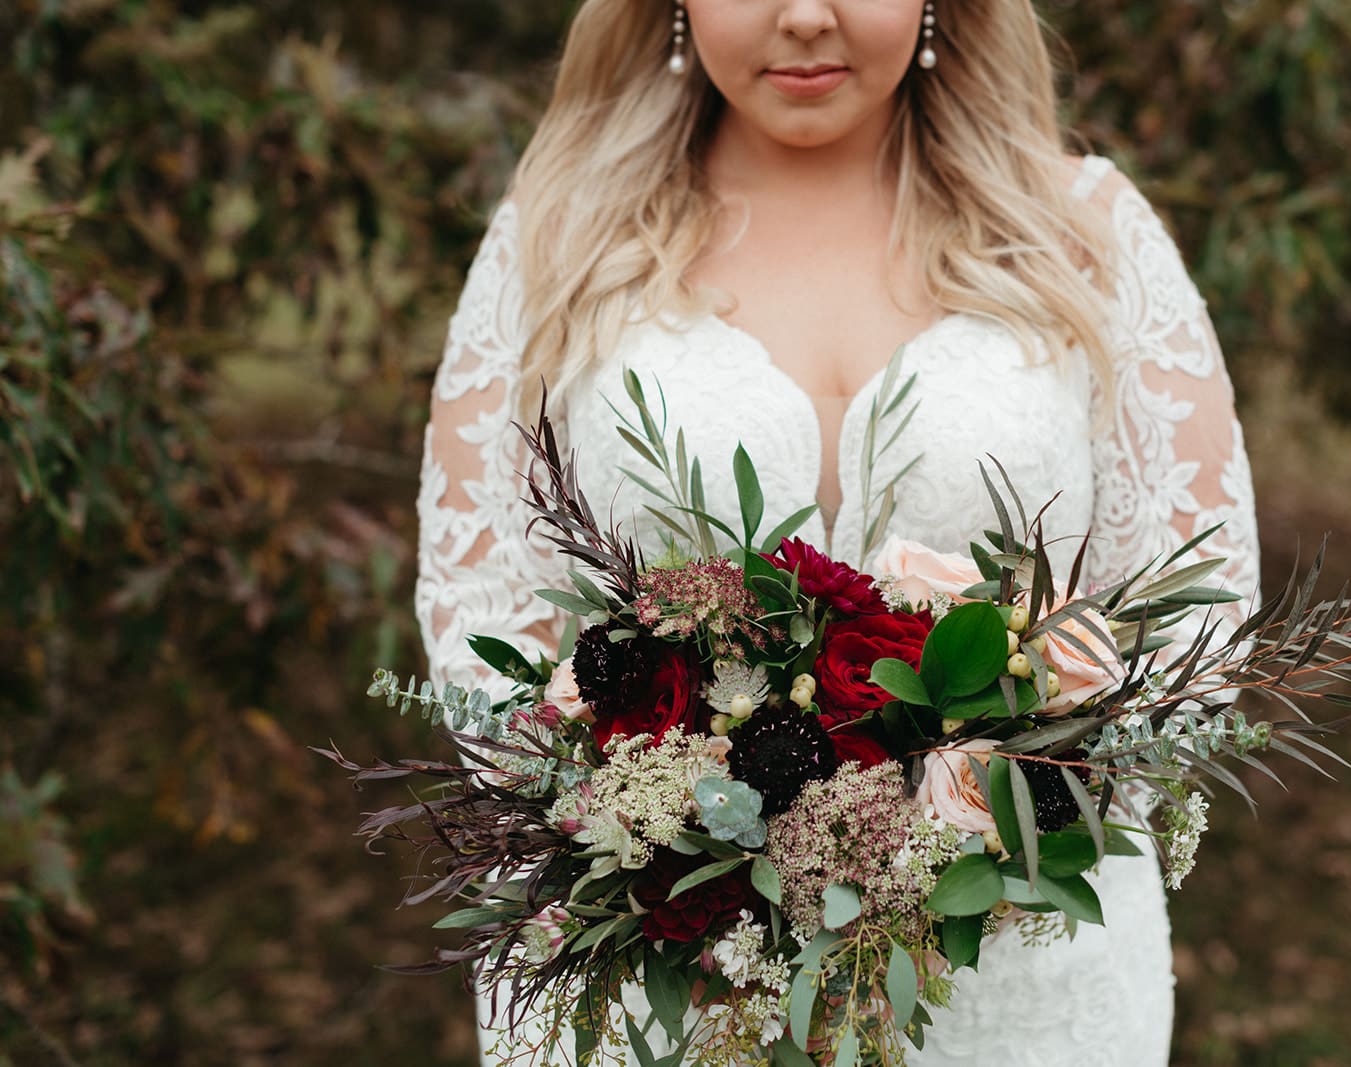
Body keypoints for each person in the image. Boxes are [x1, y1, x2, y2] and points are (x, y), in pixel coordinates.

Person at [415, 1, 1260, 1063]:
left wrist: (973, 835)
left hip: (1016, 977)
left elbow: (1195, 611)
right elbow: (480, 604)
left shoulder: (1084, 230)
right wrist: (661, 838)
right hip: (664, 986)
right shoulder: (563, 232)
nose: (805, 15)